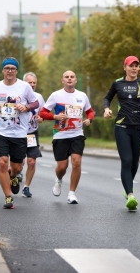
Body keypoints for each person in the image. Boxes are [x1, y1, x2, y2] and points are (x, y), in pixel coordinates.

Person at [103, 56, 140, 211]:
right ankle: (130, 194)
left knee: (134, 163)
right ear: (125, 67)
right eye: (131, 66)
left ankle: (127, 186)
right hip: (122, 126)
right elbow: (107, 99)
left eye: (136, 65)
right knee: (126, 161)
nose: (134, 68)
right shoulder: (118, 83)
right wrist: (107, 109)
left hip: (139, 127)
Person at [0, 57, 39, 209]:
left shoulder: (24, 87)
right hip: (0, 131)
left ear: (16, 71)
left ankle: (14, 176)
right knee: (2, 162)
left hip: (19, 132)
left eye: (13, 68)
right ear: (3, 70)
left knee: (17, 167)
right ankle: (8, 196)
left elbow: (35, 102)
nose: (10, 71)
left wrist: (27, 107)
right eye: (7, 68)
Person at [40, 70, 94, 204]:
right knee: (62, 167)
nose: (69, 79)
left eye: (72, 77)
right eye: (66, 77)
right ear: (62, 80)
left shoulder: (82, 95)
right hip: (60, 135)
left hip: (77, 134)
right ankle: (58, 180)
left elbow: (90, 111)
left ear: (76, 80)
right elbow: (43, 112)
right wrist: (55, 116)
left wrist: (89, 119)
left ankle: (72, 193)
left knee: (76, 162)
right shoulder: (56, 95)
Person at [21, 72, 45, 198]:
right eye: (29, 82)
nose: (32, 85)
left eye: (34, 82)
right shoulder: (19, 95)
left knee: (31, 161)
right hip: (18, 133)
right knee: (19, 163)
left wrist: (41, 118)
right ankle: (15, 173)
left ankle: (26, 187)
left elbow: (43, 113)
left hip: (31, 133)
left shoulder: (38, 97)